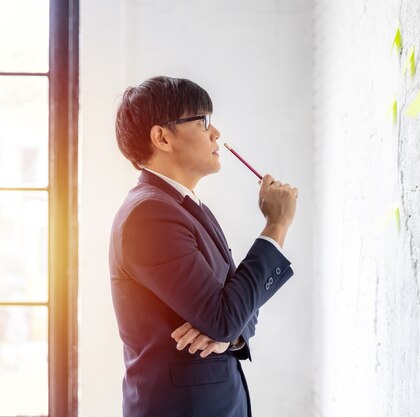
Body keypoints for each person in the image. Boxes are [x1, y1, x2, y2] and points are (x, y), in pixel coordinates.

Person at [109, 75, 298, 417]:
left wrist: (229, 336)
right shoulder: (148, 215)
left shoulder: (189, 208)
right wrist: (276, 225)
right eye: (204, 121)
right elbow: (227, 315)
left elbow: (240, 312)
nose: (216, 134)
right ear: (162, 137)